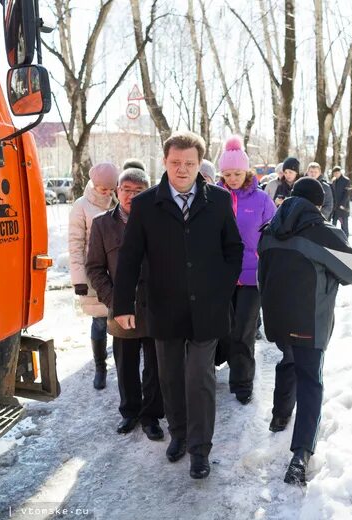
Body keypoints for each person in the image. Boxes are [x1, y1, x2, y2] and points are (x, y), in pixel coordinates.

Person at [112, 131, 244, 480]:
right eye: (175, 163)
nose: (182, 169)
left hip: (208, 310)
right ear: (165, 162)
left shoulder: (217, 200)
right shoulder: (146, 205)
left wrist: (220, 288)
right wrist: (122, 304)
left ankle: (200, 450)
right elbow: (129, 259)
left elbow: (234, 249)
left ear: (199, 164)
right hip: (164, 307)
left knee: (199, 376)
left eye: (189, 163)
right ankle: (180, 435)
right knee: (170, 376)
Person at [258, 177, 352, 485]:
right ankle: (301, 454)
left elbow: (262, 273)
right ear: (319, 205)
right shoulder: (322, 233)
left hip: (277, 317)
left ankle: (280, 416)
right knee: (310, 379)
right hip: (310, 319)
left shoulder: (269, 229)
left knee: (288, 358)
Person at [86, 168, 165, 439]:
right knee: (125, 364)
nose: (131, 196)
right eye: (126, 190)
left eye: (138, 191)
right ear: (117, 191)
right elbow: (95, 268)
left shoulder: (159, 221)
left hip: (154, 307)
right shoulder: (101, 224)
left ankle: (152, 415)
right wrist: (115, 302)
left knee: (155, 365)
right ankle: (130, 412)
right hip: (121, 309)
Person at [215, 136, 276, 405]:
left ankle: (242, 382)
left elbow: (274, 234)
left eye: (237, 173)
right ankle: (220, 364)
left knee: (244, 331)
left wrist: (267, 260)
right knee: (225, 330)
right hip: (223, 275)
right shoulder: (215, 198)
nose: (232, 178)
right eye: (227, 174)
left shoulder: (262, 200)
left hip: (252, 277)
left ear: (247, 171)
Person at [69, 163, 119, 390]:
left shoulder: (118, 202)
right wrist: (79, 279)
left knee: (120, 321)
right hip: (94, 274)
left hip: (117, 273)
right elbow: (76, 245)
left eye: (111, 189)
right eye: (103, 190)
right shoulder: (81, 206)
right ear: (93, 185)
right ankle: (100, 367)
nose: (107, 193)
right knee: (99, 321)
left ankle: (121, 366)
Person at [330, 165, 350, 236]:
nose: (336, 174)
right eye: (334, 173)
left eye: (337, 172)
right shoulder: (333, 181)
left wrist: (342, 205)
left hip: (342, 208)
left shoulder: (346, 180)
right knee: (333, 225)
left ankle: (345, 241)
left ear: (340, 172)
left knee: (344, 226)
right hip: (335, 208)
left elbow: (347, 194)